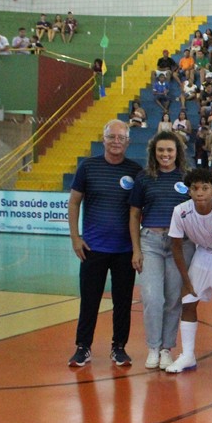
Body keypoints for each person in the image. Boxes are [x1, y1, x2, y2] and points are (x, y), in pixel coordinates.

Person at [66, 120, 143, 367]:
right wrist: (75, 237)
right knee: (89, 300)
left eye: (121, 137)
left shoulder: (136, 171)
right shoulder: (88, 167)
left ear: (128, 142)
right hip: (93, 249)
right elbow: (74, 202)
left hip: (124, 251)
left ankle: (119, 348)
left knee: (123, 303)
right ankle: (83, 347)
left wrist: (138, 247)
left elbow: (139, 209)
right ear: (104, 139)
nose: (116, 141)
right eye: (112, 137)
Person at [165, 168, 212, 375]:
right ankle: (188, 355)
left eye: (205, 188)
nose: (200, 192)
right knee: (188, 302)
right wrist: (185, 280)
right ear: (189, 191)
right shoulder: (180, 211)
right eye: (195, 188)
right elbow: (176, 246)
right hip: (202, 255)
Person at [129, 131, 193, 370]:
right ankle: (153, 348)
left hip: (180, 244)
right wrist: (136, 249)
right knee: (152, 298)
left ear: (177, 152)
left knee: (174, 298)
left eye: (170, 150)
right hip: (151, 242)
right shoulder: (144, 178)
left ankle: (167, 348)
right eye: (161, 150)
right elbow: (135, 214)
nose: (165, 154)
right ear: (154, 153)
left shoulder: (187, 177)